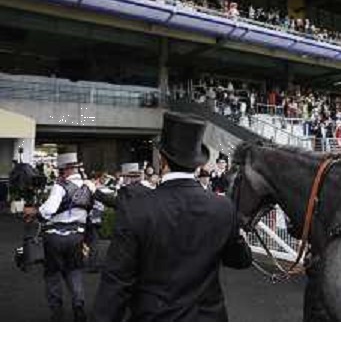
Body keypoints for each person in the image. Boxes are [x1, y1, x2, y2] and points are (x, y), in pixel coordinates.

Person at [93, 112, 252, 321]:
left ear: (162, 159)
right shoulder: (223, 207)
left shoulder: (137, 208)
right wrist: (242, 240)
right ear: (197, 163)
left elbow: (116, 283)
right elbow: (239, 260)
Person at [27, 148, 95, 321]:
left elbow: (48, 210)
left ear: (65, 169)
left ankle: (57, 312)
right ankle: (79, 305)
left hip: (55, 236)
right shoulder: (89, 186)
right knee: (74, 271)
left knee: (53, 274)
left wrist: (37, 212)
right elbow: (95, 211)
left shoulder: (60, 186)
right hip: (77, 237)